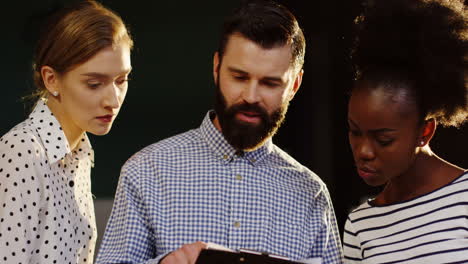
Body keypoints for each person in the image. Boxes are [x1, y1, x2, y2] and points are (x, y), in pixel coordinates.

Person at [96, 1, 343, 263]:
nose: (250, 96)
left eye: (270, 83)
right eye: (239, 77)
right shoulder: (146, 172)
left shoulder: (311, 195)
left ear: (294, 85)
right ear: (216, 68)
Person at [0, 1, 133, 263]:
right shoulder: (21, 151)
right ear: (51, 79)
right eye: (94, 84)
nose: (113, 100)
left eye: (122, 80)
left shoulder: (78, 154)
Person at [343, 0, 467, 263]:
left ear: (425, 131)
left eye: (383, 139)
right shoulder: (359, 225)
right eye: (355, 131)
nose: (363, 151)